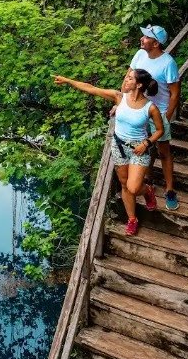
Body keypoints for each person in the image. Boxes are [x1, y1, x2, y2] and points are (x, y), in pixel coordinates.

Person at [53, 69, 164, 236]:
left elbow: (159, 130)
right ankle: (132, 219)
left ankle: (147, 191)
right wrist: (68, 80)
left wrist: (146, 143)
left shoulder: (150, 108)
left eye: (130, 78)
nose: (126, 80)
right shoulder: (119, 97)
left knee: (133, 187)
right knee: (125, 184)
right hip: (118, 146)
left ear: (139, 84)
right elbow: (91, 88)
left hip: (138, 149)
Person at [128, 24, 181, 211]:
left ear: (156, 43)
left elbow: (175, 93)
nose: (142, 39)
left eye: (146, 37)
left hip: (159, 112)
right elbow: (128, 79)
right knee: (144, 148)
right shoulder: (140, 55)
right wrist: (123, 102)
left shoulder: (168, 63)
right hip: (140, 110)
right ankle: (148, 180)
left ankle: (170, 190)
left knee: (163, 152)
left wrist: (166, 117)